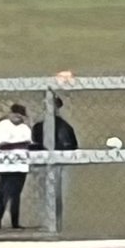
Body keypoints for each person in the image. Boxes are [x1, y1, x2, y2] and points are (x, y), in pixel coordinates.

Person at [31, 96, 79, 229]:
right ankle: (46, 221)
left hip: (58, 164)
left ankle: (56, 222)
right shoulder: (38, 127)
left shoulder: (64, 127)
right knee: (42, 194)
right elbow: (34, 145)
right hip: (42, 165)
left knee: (56, 193)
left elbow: (72, 146)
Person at [0, 104, 32, 231]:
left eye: (21, 116)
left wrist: (16, 143)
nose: (19, 118)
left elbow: (27, 143)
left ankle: (15, 223)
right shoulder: (3, 125)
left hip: (21, 166)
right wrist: (19, 143)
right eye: (16, 115)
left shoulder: (24, 128)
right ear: (11, 114)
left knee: (16, 195)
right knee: (3, 194)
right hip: (6, 166)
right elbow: (2, 142)